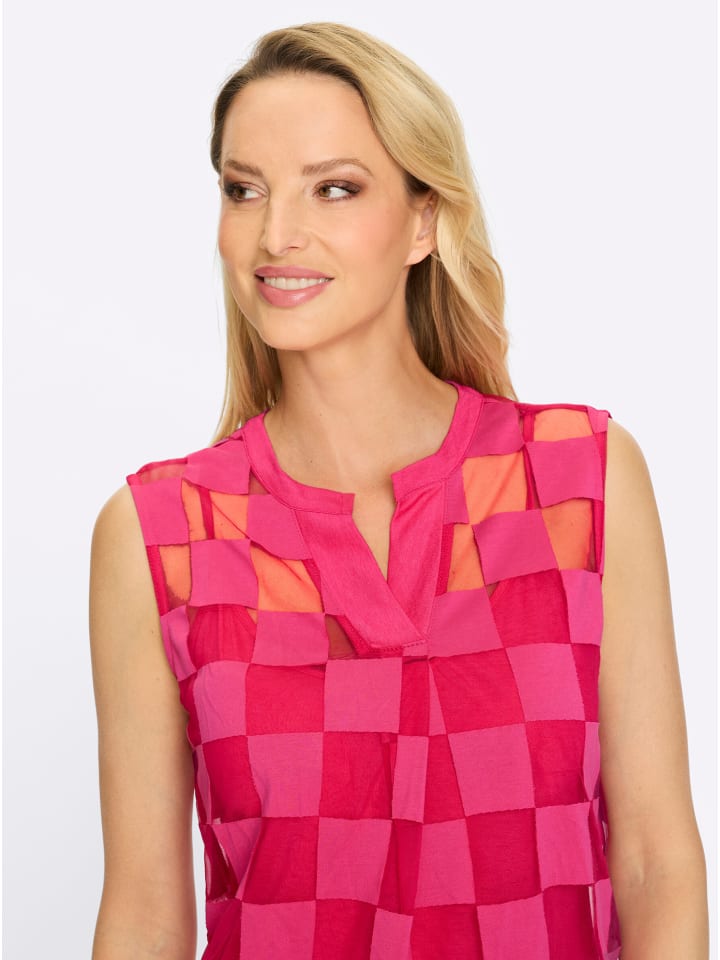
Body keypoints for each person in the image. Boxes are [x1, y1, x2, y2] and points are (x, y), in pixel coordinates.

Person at [89, 22, 708, 960]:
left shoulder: (580, 481)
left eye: (333, 187)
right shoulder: (160, 534)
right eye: (244, 189)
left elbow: (659, 863)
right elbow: (145, 917)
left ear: (425, 220)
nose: (275, 234)